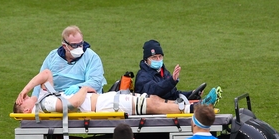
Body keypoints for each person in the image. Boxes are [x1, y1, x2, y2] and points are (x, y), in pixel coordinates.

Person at [14, 70, 206, 116]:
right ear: (25, 110)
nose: (25, 99)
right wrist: (83, 89)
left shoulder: (43, 97)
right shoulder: (45, 105)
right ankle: (192, 108)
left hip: (106, 101)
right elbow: (70, 105)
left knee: (153, 99)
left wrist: (25, 90)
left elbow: (46, 73)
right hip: (105, 105)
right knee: (152, 105)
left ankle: (189, 105)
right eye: (23, 101)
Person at [32, 26, 106, 99]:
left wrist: (79, 87)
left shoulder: (91, 57)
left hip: (83, 97)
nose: (79, 48)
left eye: (81, 44)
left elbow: (96, 82)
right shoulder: (52, 57)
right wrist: (34, 99)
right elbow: (40, 80)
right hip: (56, 98)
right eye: (74, 45)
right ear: (65, 46)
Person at [134, 39, 206, 101]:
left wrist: (191, 93)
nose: (158, 60)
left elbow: (173, 94)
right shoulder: (142, 76)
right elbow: (154, 90)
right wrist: (171, 80)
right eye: (154, 57)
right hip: (153, 112)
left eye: (160, 56)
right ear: (146, 60)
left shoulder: (164, 72)